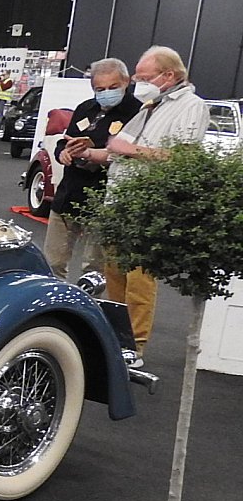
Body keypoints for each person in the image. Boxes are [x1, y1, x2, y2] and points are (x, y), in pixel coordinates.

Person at [75, 45, 209, 363]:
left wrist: (129, 151)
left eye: (144, 77)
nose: (137, 82)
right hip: (119, 203)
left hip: (147, 208)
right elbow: (115, 150)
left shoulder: (191, 106)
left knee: (139, 281)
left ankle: (134, 347)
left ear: (169, 75)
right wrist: (87, 152)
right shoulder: (150, 105)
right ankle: (117, 340)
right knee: (115, 276)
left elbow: (183, 158)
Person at [44, 58, 140, 279]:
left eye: (113, 87)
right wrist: (63, 152)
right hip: (69, 194)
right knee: (52, 262)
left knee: (94, 268)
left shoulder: (137, 112)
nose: (106, 93)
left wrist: (90, 154)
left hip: (103, 198)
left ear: (126, 82)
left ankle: (89, 301)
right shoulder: (85, 108)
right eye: (100, 89)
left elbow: (126, 155)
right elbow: (65, 140)